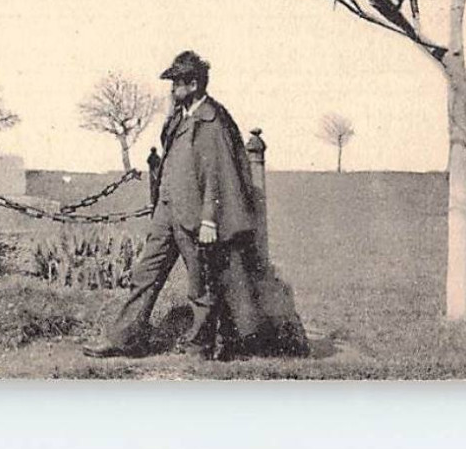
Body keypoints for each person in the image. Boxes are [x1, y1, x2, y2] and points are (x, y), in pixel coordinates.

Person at [84, 50, 308, 360]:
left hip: (196, 217)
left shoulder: (212, 120)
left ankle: (201, 347)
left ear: (192, 84)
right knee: (145, 273)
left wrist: (209, 221)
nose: (171, 89)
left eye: (175, 83)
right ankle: (124, 338)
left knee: (201, 284)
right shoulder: (181, 115)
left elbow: (218, 175)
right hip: (168, 212)